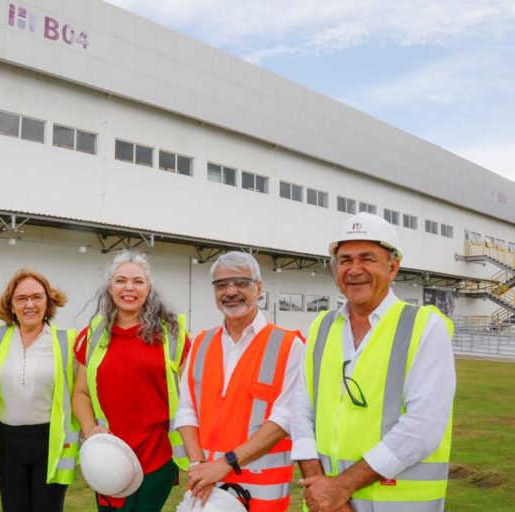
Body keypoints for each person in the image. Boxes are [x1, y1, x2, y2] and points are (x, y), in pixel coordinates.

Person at [292, 212, 455, 512]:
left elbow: (423, 427)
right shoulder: (322, 326)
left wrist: (340, 487)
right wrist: (321, 489)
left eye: (367, 258)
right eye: (345, 260)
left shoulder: (426, 327)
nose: (355, 270)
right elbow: (301, 410)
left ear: (393, 267)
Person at [177, 251, 304, 512]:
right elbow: (187, 410)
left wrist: (221, 466)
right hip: (206, 489)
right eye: (221, 285)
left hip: (261, 492)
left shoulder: (289, 345)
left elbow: (283, 419)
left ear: (258, 288)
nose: (230, 291)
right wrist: (197, 465)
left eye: (241, 283)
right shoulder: (201, 343)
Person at [72, 251, 190, 511]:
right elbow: (80, 393)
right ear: (110, 287)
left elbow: (192, 398)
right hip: (108, 456)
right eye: (121, 280)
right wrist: (91, 430)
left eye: (138, 281)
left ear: (149, 288)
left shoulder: (171, 335)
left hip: (157, 457)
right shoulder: (92, 336)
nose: (129, 287)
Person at [0, 268, 79, 511]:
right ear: (11, 304)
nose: (30, 304)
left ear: (48, 301)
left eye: (37, 297)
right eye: (22, 298)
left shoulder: (66, 340)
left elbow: (83, 392)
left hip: (49, 443)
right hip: (8, 445)